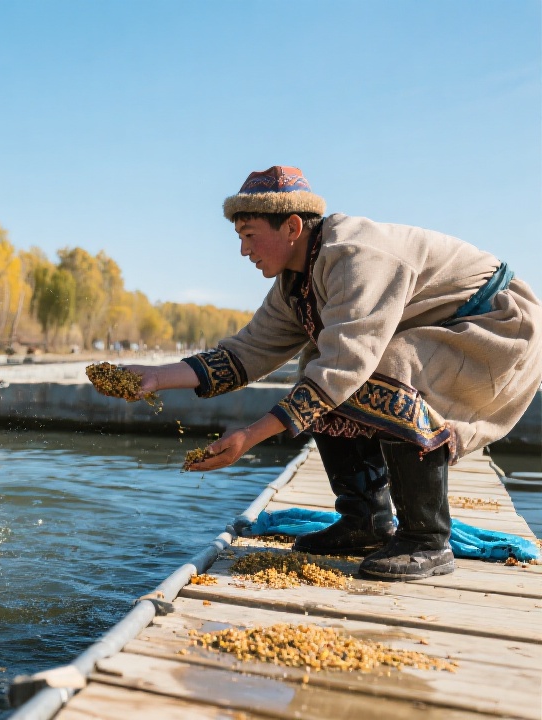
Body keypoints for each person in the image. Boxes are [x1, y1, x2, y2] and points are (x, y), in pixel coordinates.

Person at [123, 166, 541, 581]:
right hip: (447, 329)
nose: (243, 251)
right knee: (315, 369)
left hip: (499, 328)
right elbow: (247, 351)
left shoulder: (354, 255)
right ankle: (366, 520)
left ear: (291, 225)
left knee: (387, 368)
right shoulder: (294, 282)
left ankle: (426, 539)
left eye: (250, 236)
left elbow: (344, 367)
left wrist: (249, 436)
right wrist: (156, 378)